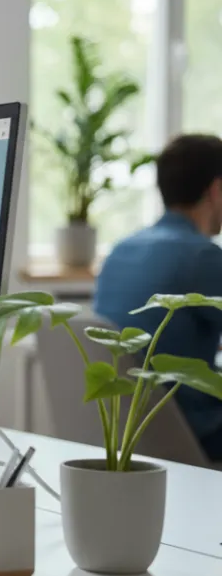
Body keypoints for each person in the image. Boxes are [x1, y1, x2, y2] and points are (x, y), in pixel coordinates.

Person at [95, 133, 222, 462]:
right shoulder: (202, 257)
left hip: (128, 432)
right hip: (195, 432)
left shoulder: (121, 250)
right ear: (216, 189)